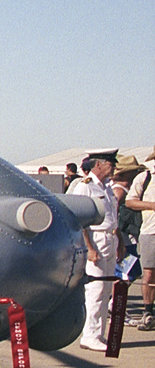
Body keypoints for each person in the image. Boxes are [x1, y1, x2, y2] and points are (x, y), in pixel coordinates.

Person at [69, 150, 121, 351]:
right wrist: (89, 248)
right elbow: (79, 219)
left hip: (110, 237)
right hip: (96, 239)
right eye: (110, 163)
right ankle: (90, 335)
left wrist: (120, 242)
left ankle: (99, 334)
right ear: (98, 164)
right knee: (96, 290)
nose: (113, 167)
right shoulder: (85, 187)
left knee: (106, 289)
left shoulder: (107, 188)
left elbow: (113, 218)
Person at [125, 147, 155, 331]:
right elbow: (130, 201)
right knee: (149, 273)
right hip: (151, 231)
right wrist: (152, 205)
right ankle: (148, 312)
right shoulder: (146, 176)